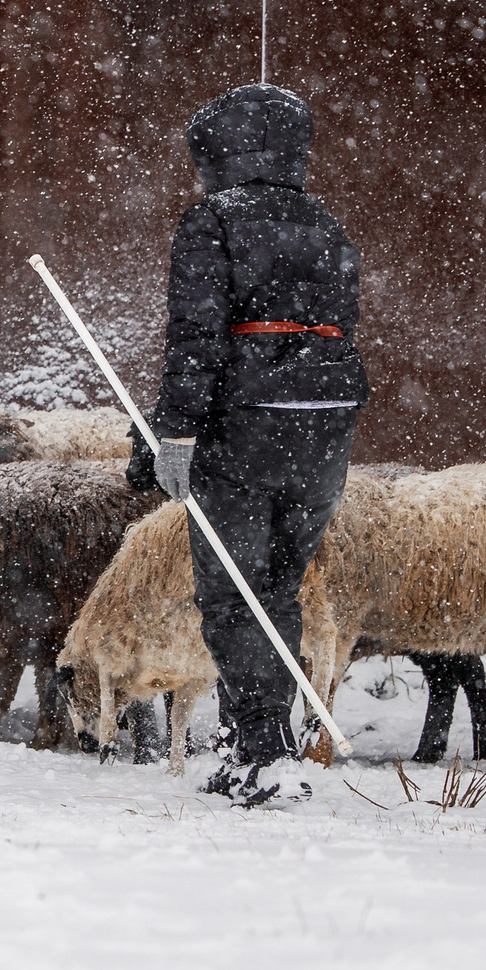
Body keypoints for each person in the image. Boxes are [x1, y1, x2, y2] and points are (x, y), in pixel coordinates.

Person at [125, 83, 367, 805]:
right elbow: (345, 323)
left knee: (233, 589)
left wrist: (174, 432)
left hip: (245, 423)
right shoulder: (326, 223)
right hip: (325, 424)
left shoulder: (213, 221)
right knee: (279, 588)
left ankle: (261, 750)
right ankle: (258, 738)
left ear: (217, 151)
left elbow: (196, 338)